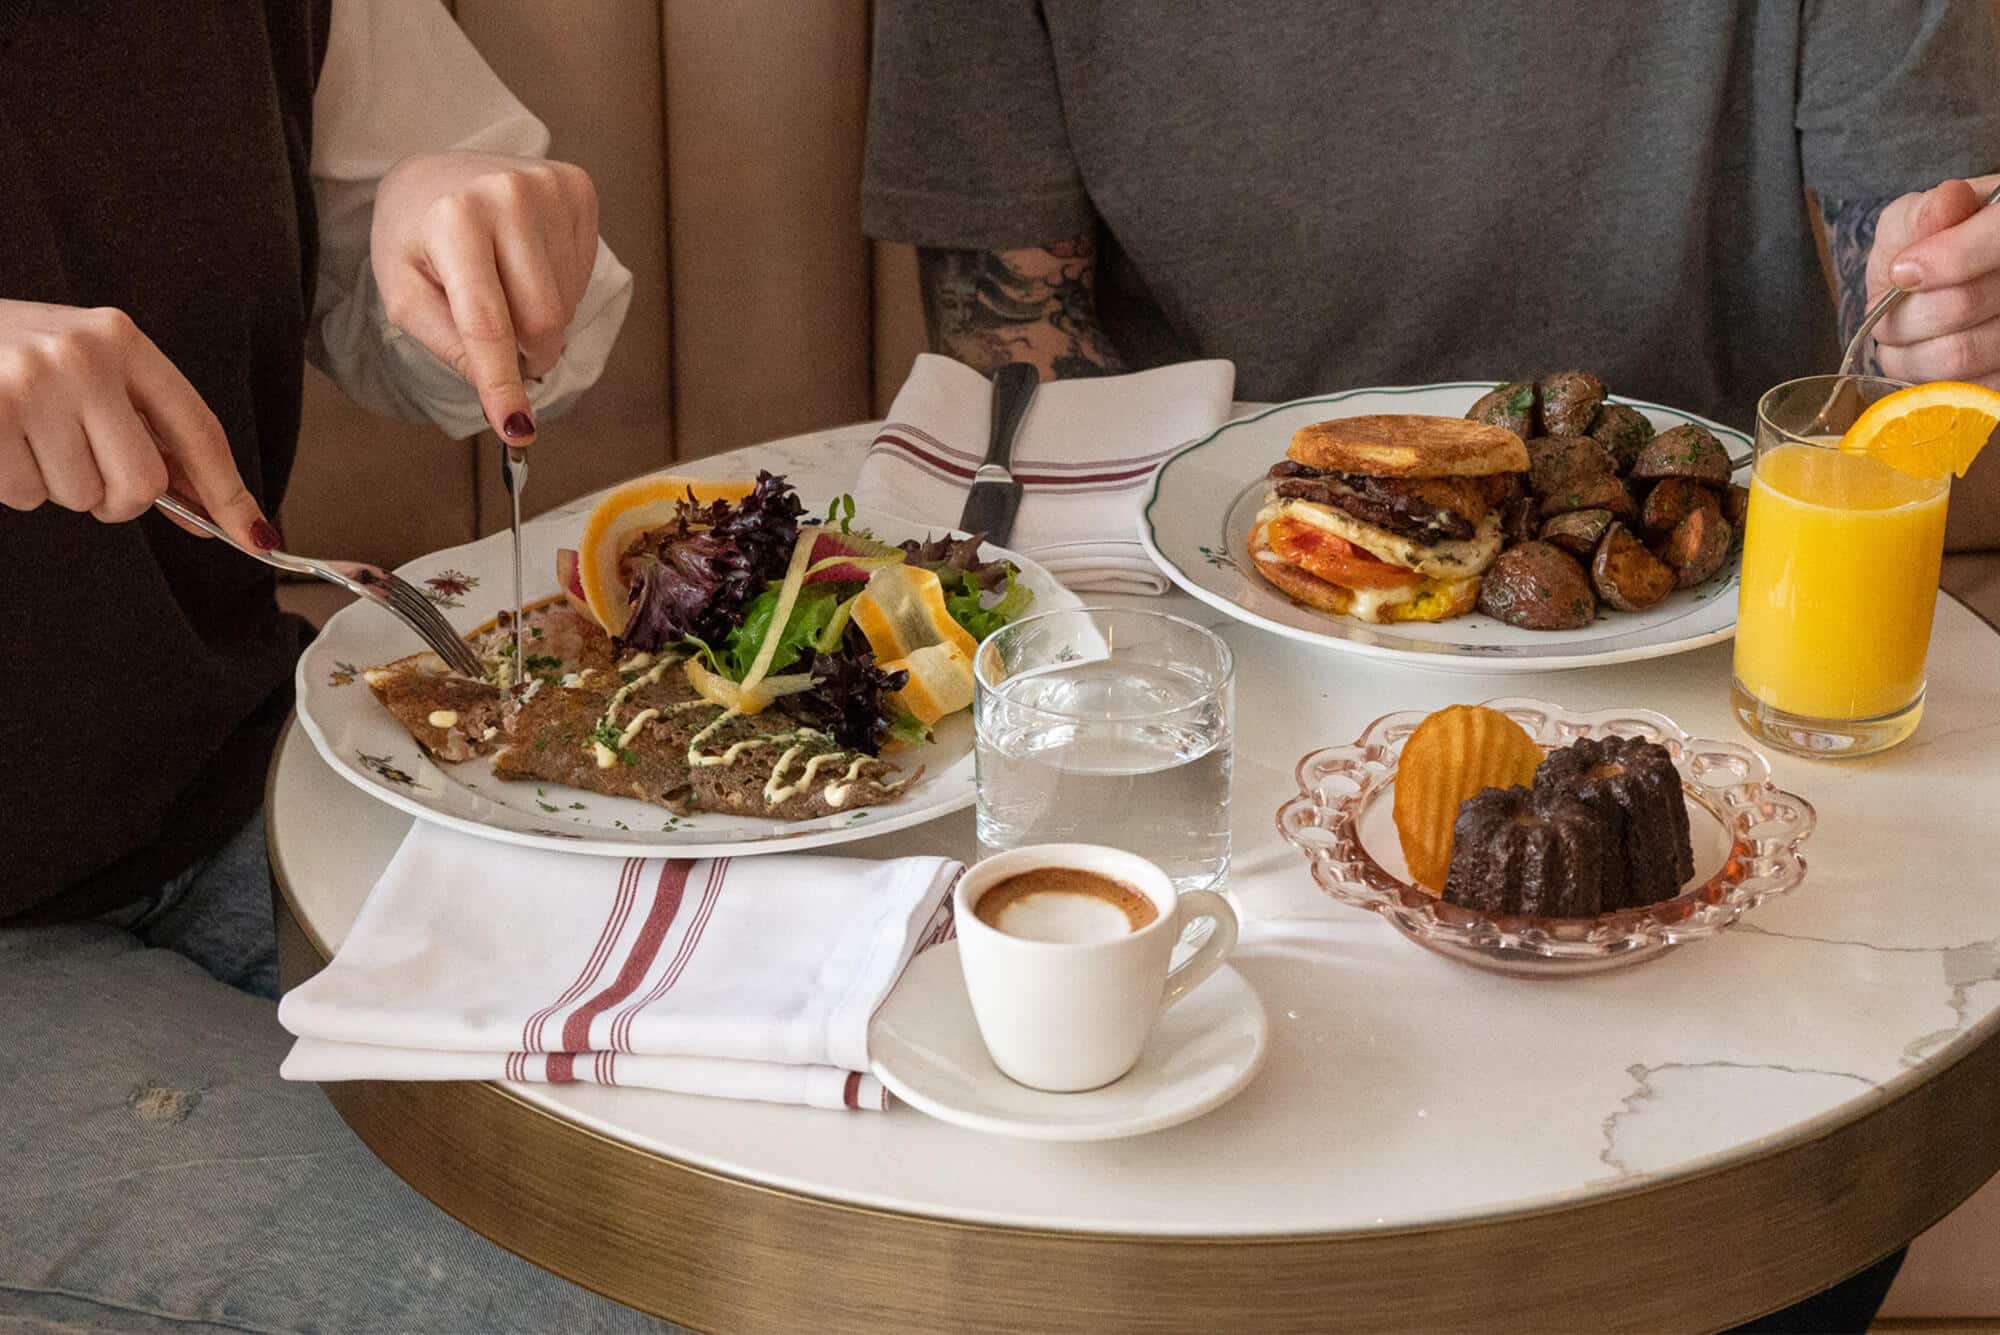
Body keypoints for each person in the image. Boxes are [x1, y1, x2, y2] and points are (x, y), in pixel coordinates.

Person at [861, 3, 2000, 1331]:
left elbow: (1915, 258)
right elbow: (1023, 361)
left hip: (1709, 679)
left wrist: (1954, 301)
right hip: (1196, 681)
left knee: (1776, 1247)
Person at [0, 2, 685, 1329]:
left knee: (770, 1171)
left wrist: (457, 221)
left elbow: (438, 323)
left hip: (235, 784)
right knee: (596, 1297)